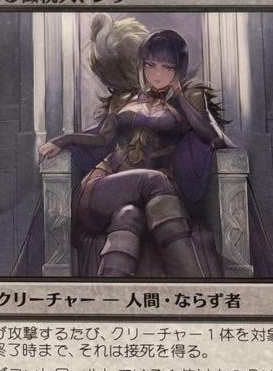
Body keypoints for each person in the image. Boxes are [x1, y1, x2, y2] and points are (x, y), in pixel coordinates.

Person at [37, 20, 231, 278]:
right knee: (155, 180)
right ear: (141, 65)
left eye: (167, 67)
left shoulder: (186, 100)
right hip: (102, 188)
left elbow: (209, 135)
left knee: (128, 216)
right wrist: (63, 140)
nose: (157, 74)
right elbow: (101, 139)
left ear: (178, 69)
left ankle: (109, 293)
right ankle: (193, 278)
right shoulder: (124, 99)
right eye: (150, 65)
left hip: (144, 198)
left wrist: (180, 96)